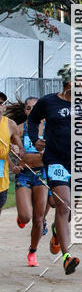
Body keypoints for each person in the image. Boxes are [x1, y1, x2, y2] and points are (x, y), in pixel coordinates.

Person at [27, 65, 79, 274]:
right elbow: (32, 120)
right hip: (55, 160)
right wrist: (35, 139)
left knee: (70, 210)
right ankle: (67, 257)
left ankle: (58, 232)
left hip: (78, 162)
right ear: (69, 84)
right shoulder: (48, 101)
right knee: (63, 205)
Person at [5, 97, 48, 267]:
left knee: (38, 219)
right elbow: (5, 149)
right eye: (28, 108)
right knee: (26, 216)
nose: (31, 111)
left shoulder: (47, 129)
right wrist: (12, 162)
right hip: (23, 174)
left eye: (35, 108)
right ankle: (21, 218)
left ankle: (32, 251)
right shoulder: (19, 128)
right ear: (25, 111)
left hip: (41, 175)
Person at [0, 92, 24, 220]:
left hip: (1, 173)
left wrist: (16, 148)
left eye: (0, 103)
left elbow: (19, 149)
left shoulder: (10, 125)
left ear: (4, 106)